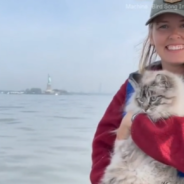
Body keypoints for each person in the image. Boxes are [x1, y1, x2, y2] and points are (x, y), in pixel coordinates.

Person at [90, 0, 184, 183]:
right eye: (163, 26)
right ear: (151, 36)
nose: (175, 34)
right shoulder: (133, 84)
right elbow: (103, 146)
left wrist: (137, 123)